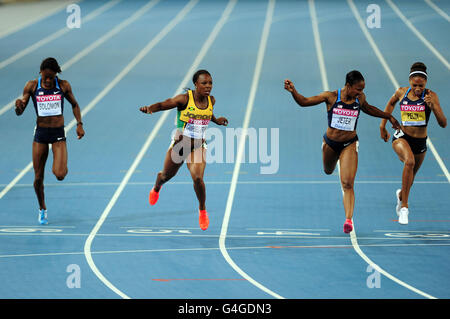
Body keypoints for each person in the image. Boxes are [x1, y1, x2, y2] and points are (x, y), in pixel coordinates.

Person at [284, 70, 400, 233]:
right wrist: (293, 91)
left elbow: (368, 108)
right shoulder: (330, 97)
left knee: (347, 183)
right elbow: (304, 102)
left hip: (349, 144)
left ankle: (348, 220)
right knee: (328, 170)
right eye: (358, 89)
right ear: (348, 86)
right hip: (331, 143)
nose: (361, 93)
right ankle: (329, 156)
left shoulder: (359, 98)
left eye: (362, 89)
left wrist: (388, 116)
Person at [139, 70, 228, 231]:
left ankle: (202, 210)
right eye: (204, 83)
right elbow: (163, 104)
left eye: (210, 83)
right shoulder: (184, 99)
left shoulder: (211, 100)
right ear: (196, 84)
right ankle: (157, 187)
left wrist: (216, 120)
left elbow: (207, 114)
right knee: (166, 176)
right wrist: (150, 108)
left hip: (198, 146)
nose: (208, 86)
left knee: (198, 178)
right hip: (180, 146)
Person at [15, 57, 85, 225]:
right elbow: (21, 108)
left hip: (58, 134)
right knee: (38, 178)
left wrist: (79, 124)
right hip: (40, 134)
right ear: (40, 73)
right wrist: (19, 107)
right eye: (45, 77)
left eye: (51, 77)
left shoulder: (63, 86)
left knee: (60, 174)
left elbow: (74, 105)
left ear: (56, 74)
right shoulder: (32, 86)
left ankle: (61, 160)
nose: (47, 81)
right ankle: (42, 209)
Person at [380, 62, 446, 225]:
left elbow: (443, 123)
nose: (417, 88)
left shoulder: (432, 96)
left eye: (421, 85)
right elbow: (390, 103)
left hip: (420, 142)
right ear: (410, 82)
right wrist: (383, 124)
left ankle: (401, 195)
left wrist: (434, 107)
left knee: (410, 179)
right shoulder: (402, 92)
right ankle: (404, 208)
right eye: (415, 85)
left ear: (426, 83)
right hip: (402, 136)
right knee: (409, 162)